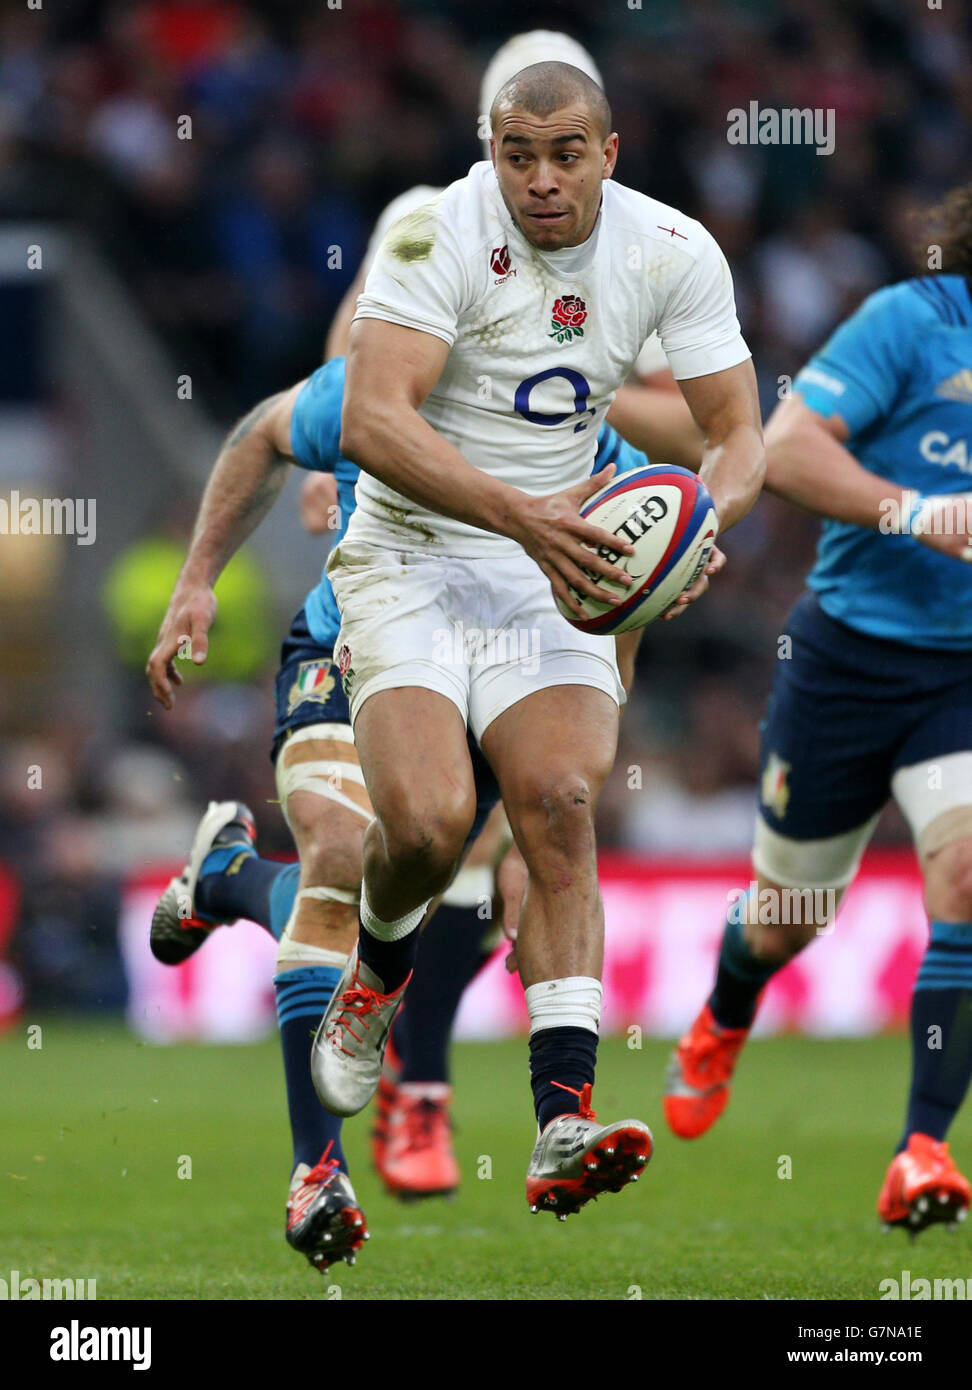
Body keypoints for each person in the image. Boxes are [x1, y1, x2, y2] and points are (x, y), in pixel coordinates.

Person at [310, 59, 764, 1221]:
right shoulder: (432, 232)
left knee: (561, 800)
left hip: (550, 565)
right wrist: (528, 515)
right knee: (423, 823)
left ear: (609, 154)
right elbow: (370, 418)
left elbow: (737, 430)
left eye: (568, 155)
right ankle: (377, 974)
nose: (543, 179)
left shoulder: (673, 251)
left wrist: (706, 522)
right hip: (410, 552)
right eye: (520, 154)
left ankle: (563, 1117)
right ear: (491, 151)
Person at [664, 183, 972, 1234]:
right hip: (848, 658)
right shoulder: (912, 322)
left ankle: (920, 1150)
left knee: (966, 879)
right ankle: (724, 1012)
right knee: (788, 917)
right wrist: (916, 510)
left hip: (964, 676)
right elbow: (786, 449)